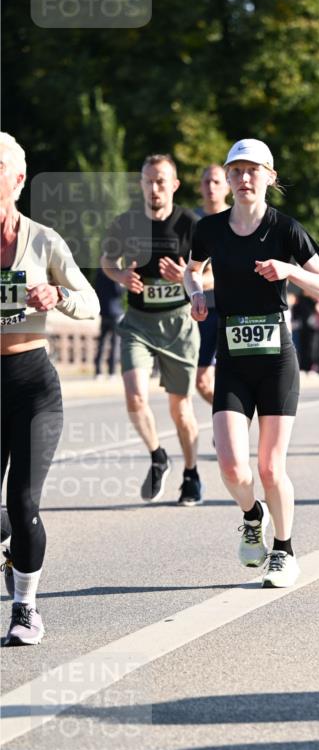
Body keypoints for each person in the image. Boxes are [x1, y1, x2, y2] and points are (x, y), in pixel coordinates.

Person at [184, 138, 319, 588]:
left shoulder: (286, 230)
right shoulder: (209, 230)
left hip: (276, 361)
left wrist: (290, 271)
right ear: (228, 179)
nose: (245, 178)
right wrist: (195, 293)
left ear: (270, 177)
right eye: (237, 171)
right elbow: (194, 270)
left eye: (254, 170)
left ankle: (285, 551)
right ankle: (252, 516)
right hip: (232, 358)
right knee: (233, 467)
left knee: (271, 467)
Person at [0, 132, 99, 645]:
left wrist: (57, 293)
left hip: (32, 382)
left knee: (23, 501)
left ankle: (25, 608)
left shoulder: (42, 240)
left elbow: (91, 303)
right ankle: (7, 546)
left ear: (17, 179)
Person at [101, 154, 202, 504]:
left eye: (161, 181)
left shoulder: (189, 224)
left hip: (178, 322)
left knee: (181, 409)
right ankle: (158, 455)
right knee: (135, 395)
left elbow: (214, 275)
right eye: (148, 181)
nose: (154, 188)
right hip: (139, 322)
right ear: (141, 184)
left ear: (174, 185)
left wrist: (189, 277)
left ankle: (191, 473)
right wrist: (120, 276)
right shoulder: (126, 222)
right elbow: (107, 260)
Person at [193, 164, 231, 404]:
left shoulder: (235, 220)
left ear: (227, 187)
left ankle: (230, 424)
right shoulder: (190, 221)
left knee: (225, 376)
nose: (211, 187)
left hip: (227, 309)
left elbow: (233, 270)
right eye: (206, 181)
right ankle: (227, 420)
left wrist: (201, 280)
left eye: (217, 182)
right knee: (201, 382)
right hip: (195, 310)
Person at [93, 268, 123, 379]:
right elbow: (118, 292)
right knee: (115, 344)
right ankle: (112, 372)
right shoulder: (115, 273)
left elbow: (97, 290)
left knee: (101, 343)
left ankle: (98, 371)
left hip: (104, 311)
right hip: (115, 313)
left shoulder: (100, 272)